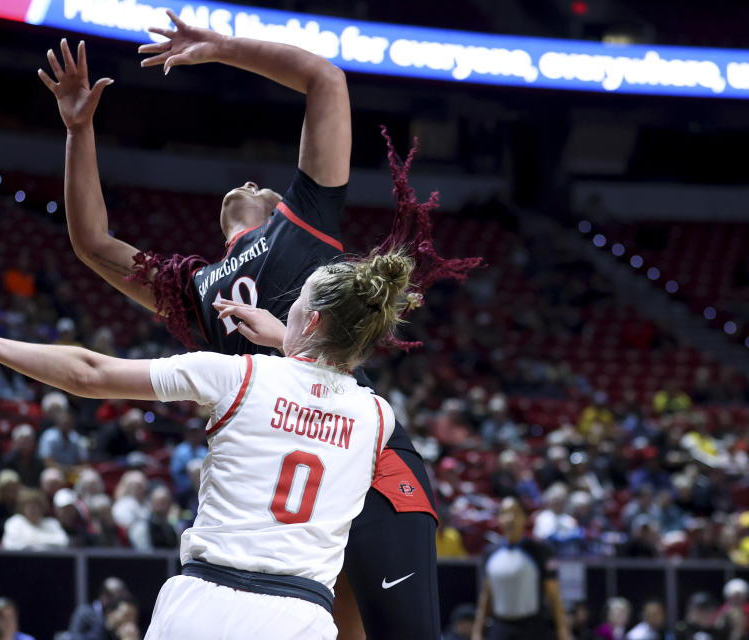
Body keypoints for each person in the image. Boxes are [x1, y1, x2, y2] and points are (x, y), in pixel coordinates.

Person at [39, 13, 480, 636]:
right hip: (293, 489)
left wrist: (221, 47)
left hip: (367, 458)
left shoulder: (305, 222)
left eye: (262, 182)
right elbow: (92, 243)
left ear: (282, 205)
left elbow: (325, 79)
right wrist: (78, 129)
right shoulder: (194, 287)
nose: (248, 181)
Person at [0, 247, 412, 639]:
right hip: (301, 617)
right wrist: (286, 339)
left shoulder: (238, 375)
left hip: (209, 601)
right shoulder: (379, 417)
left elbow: (89, 372)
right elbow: (326, 382)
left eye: (297, 304)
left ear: (314, 320)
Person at [472, 497, 570, 640]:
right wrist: (477, 632)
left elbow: (554, 597)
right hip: (500, 628)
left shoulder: (540, 551)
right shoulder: (490, 553)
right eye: (505, 513)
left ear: (525, 517)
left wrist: (563, 633)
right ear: (498, 518)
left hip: (533, 629)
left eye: (515, 512)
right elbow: (486, 596)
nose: (510, 518)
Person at [1, 488, 69, 550]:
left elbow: (63, 541)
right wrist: (44, 542)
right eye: (30, 506)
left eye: (36, 506)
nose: (33, 510)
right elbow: (10, 544)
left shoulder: (52, 523)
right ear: (23, 508)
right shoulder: (14, 522)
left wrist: (34, 539)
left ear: (42, 508)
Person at [68, 577, 133, 640]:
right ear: (104, 596)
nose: (116, 603)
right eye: (113, 599)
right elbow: (74, 636)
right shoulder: (84, 612)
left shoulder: (117, 615)